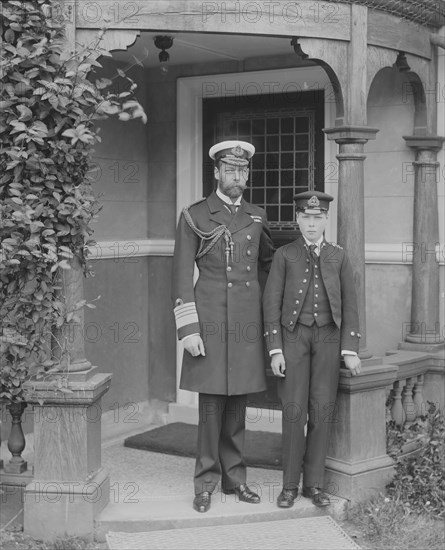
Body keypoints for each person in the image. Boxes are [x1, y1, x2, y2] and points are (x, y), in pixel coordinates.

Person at [172, 140, 275, 513]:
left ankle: (236, 479)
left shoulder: (257, 216)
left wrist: (269, 321)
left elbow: (267, 268)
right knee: (211, 408)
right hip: (210, 323)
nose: (237, 177)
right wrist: (189, 330)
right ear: (216, 172)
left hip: (246, 325)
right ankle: (204, 483)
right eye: (230, 170)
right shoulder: (196, 216)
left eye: (243, 170)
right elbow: (181, 276)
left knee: (238, 407)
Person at [262, 190, 362, 509]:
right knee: (294, 412)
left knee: (321, 411)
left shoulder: (339, 256)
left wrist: (350, 348)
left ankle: (313, 485)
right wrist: (275, 349)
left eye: (317, 218)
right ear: (297, 219)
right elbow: (271, 304)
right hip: (294, 338)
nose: (311, 224)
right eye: (306, 217)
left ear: (326, 220)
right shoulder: (284, 255)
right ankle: (290, 486)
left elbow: (351, 304)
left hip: (329, 339)